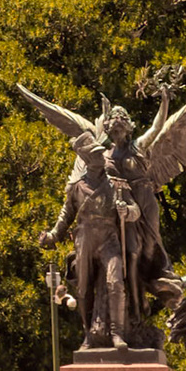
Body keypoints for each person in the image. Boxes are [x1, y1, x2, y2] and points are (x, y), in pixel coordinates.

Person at [38, 129, 142, 348]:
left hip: (109, 238)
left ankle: (117, 334)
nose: (101, 157)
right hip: (85, 238)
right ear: (87, 159)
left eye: (100, 153)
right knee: (83, 288)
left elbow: (136, 210)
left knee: (115, 282)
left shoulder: (116, 185)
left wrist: (127, 212)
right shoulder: (76, 188)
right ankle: (88, 334)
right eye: (95, 154)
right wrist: (52, 235)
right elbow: (66, 215)